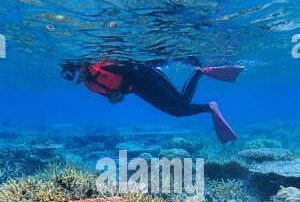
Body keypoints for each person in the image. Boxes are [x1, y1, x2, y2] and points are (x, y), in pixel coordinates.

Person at [60, 60, 244, 144]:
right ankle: (209, 107)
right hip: (138, 88)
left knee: (182, 99)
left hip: (146, 75)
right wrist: (115, 98)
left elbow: (133, 67)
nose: (77, 76)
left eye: (75, 70)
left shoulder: (103, 66)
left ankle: (200, 70)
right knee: (177, 111)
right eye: (70, 75)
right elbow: (112, 96)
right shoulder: (90, 84)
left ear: (81, 65)